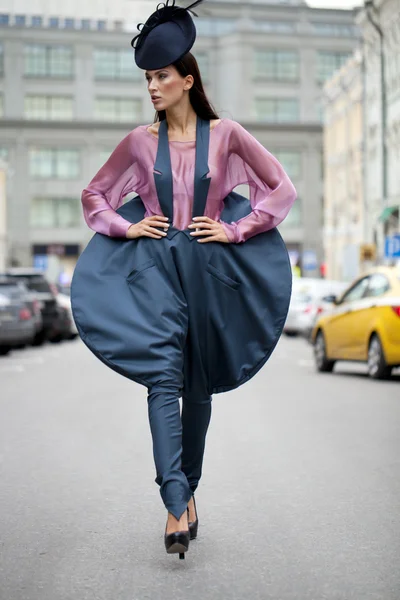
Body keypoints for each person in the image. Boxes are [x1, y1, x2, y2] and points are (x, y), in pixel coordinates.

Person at [71, 0, 297, 560]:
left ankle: (188, 490)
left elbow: (281, 190)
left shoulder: (226, 134)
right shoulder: (138, 142)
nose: (153, 86)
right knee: (162, 380)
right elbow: (95, 195)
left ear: (186, 80)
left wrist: (238, 228)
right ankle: (175, 502)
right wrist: (125, 227)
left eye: (162, 77)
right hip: (154, 273)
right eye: (148, 77)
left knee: (197, 388)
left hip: (209, 272)